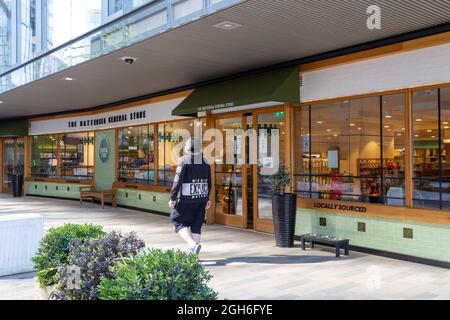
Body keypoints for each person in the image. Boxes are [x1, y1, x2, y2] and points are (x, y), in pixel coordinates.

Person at [169, 137, 211, 254]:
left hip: (186, 199)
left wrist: (172, 197)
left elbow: (177, 180)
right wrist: (207, 198)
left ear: (188, 147)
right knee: (196, 224)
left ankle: (192, 245)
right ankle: (194, 256)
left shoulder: (184, 160)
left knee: (176, 220)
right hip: (201, 198)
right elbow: (209, 182)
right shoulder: (206, 162)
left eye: (186, 143)